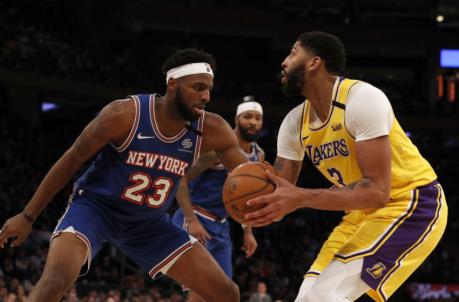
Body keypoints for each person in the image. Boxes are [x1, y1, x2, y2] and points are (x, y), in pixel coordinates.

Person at [0, 48, 246, 302]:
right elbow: (72, 159)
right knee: (55, 280)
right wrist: (28, 215)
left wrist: (271, 192)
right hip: (96, 210)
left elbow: (247, 173)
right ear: (173, 85)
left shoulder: (212, 129)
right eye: (198, 87)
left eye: (209, 89)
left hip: (148, 223)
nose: (206, 96)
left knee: (227, 293)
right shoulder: (126, 114)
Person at [244, 31, 448, 302]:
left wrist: (302, 197)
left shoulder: (362, 99)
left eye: (292, 52)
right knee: (306, 297)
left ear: (315, 62)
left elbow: (377, 191)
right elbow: (283, 199)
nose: (284, 61)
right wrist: (257, 199)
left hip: (412, 203)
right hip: (360, 214)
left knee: (327, 296)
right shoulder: (294, 123)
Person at [172, 96, 265, 301]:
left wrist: (248, 231)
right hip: (195, 218)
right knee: (202, 290)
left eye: (258, 118)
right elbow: (180, 177)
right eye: (247, 116)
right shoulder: (217, 149)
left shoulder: (258, 155)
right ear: (236, 119)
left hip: (221, 226)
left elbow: (247, 198)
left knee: (225, 294)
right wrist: (192, 220)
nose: (253, 122)